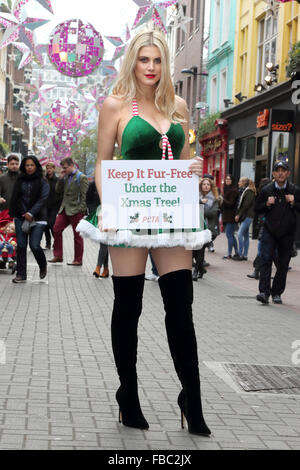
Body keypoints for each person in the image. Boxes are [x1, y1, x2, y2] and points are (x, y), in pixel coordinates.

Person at [91, 27, 211, 435]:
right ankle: (129, 395)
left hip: (171, 211)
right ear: (132, 61)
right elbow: (103, 163)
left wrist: (194, 169)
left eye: (158, 60)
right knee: (129, 307)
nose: (151, 67)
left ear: (166, 64)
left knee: (181, 307)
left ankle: (191, 400)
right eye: (144, 59)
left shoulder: (177, 105)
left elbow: (186, 157)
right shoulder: (115, 106)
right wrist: (109, 206)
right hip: (129, 211)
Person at [255, 161, 300, 304]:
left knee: (283, 264)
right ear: (273, 173)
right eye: (277, 170)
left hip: (287, 233)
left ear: (288, 173)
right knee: (265, 260)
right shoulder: (266, 190)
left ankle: (277, 293)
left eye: (283, 170)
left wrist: (294, 203)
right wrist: (266, 204)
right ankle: (264, 292)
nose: (280, 173)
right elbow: (257, 209)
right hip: (269, 230)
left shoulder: (294, 190)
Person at [9, 155, 49, 283]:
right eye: (27, 165)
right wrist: (24, 212)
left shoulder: (43, 181)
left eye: (32, 165)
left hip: (38, 217)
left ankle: (43, 265)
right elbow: (17, 197)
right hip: (21, 216)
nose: (29, 167)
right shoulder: (20, 180)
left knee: (34, 245)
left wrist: (31, 212)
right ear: (24, 167)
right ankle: (21, 274)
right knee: (21, 245)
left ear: (36, 166)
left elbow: (43, 199)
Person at [48, 157, 88, 266]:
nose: (64, 170)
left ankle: (78, 260)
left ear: (72, 165)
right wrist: (60, 178)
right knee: (56, 229)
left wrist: (81, 210)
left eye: (65, 168)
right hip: (64, 209)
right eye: (63, 168)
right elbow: (58, 190)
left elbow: (84, 196)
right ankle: (58, 255)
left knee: (77, 235)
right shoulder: (65, 177)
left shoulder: (82, 177)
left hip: (76, 210)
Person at [193, 177, 220, 280]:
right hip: (196, 228)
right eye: (204, 184)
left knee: (199, 249)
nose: (206, 186)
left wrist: (200, 206)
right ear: (201, 186)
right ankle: (201, 269)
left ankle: (195, 271)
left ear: (211, 187)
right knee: (195, 251)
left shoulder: (215, 199)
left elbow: (212, 213)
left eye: (208, 184)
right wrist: (200, 202)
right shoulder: (196, 197)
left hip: (208, 230)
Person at [247, 178, 271, 279]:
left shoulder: (267, 197)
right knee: (263, 250)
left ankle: (258, 271)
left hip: (269, 228)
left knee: (264, 251)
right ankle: (257, 271)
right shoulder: (263, 197)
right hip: (265, 227)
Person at [86, 178, 109, 278]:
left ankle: (98, 267)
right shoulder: (93, 184)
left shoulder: (113, 183)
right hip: (98, 215)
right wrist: (94, 211)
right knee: (104, 242)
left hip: (110, 215)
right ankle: (105, 268)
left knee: (104, 242)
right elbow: (88, 199)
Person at [233, 177, 256, 261]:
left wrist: (238, 215)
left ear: (244, 183)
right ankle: (245, 255)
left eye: (240, 181)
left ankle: (240, 254)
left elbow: (245, 205)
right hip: (247, 216)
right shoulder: (246, 191)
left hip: (248, 216)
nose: (238, 183)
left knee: (239, 234)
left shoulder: (249, 191)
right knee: (246, 236)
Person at [44, 162, 62, 250]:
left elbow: (60, 193)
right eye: (47, 168)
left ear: (54, 169)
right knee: (45, 225)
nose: (49, 170)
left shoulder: (57, 180)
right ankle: (48, 243)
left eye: (50, 168)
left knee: (51, 224)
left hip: (54, 206)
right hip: (45, 206)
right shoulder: (44, 179)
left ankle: (56, 242)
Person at [221, 174, 238, 259]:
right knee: (231, 234)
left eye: (229, 179)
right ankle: (237, 252)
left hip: (231, 215)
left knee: (229, 234)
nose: (227, 180)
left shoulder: (233, 191)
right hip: (226, 215)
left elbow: (231, 204)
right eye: (226, 179)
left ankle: (229, 253)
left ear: (232, 181)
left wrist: (222, 199)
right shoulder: (226, 189)